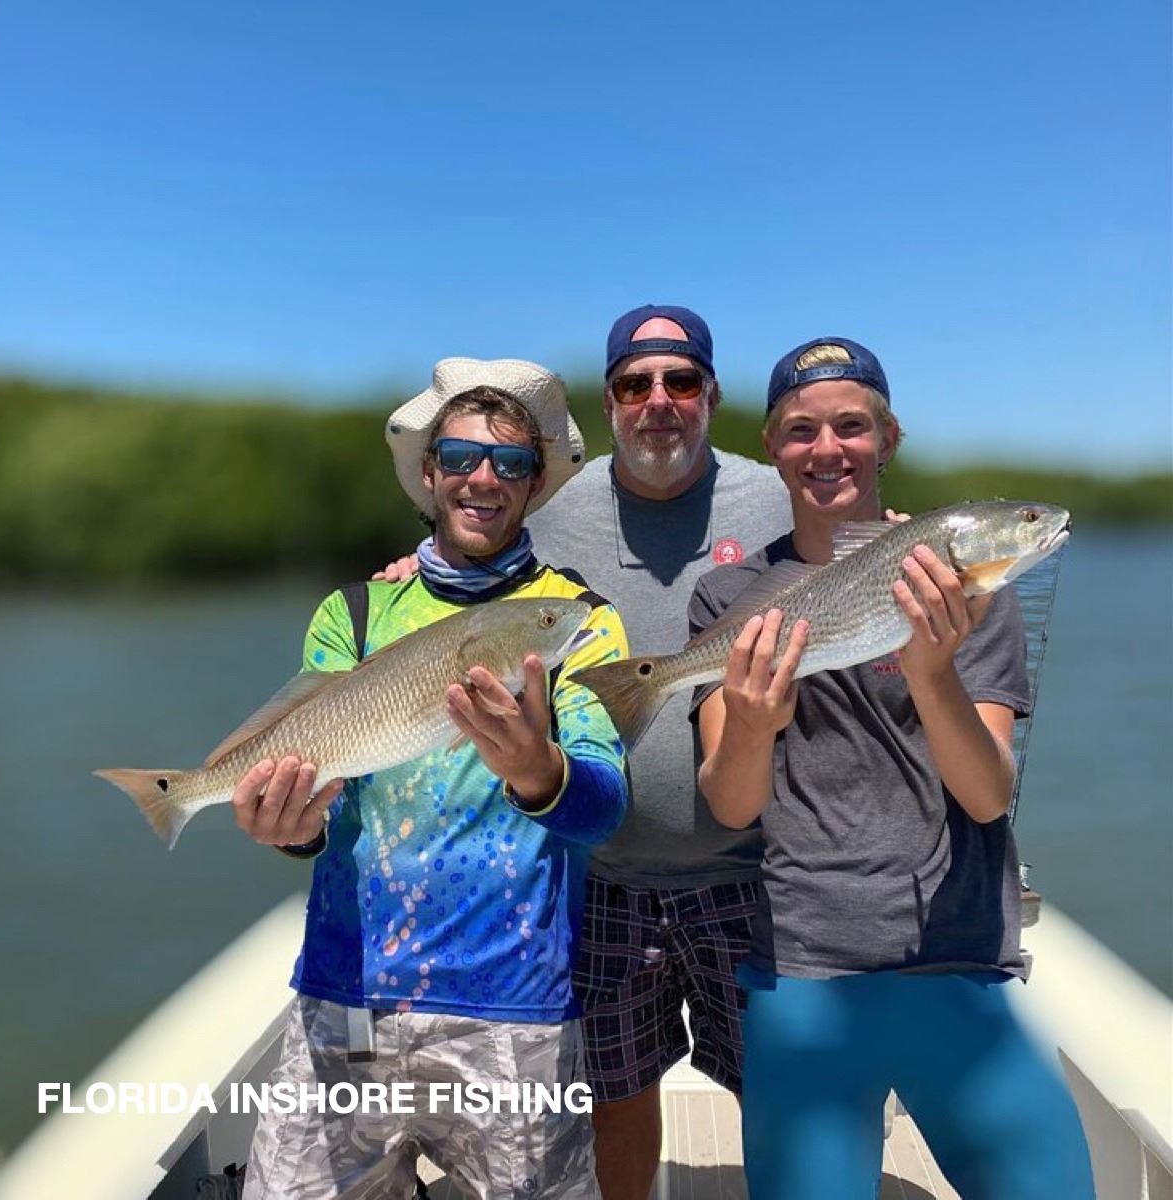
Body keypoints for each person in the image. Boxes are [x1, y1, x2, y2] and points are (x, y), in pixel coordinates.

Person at [691, 337, 1095, 1199]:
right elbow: (730, 804)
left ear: (888, 437)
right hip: (805, 962)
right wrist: (754, 725)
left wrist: (930, 668)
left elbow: (986, 796)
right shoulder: (730, 600)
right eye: (801, 429)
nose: (827, 448)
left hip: (958, 956)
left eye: (851, 425)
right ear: (772, 447)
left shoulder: (972, 591)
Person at [232, 358, 631, 1200]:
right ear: (428, 471)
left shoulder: (577, 620)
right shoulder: (354, 614)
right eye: (459, 456)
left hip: (514, 1011)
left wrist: (539, 772)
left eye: (511, 462)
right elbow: (321, 795)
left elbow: (604, 809)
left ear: (535, 484)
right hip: (348, 998)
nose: (483, 478)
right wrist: (289, 829)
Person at [524, 306, 793, 1200]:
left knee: (778, 1095)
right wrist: (409, 563)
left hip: (753, 868)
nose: (659, 401)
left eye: (681, 381)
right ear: (609, 403)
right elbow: (469, 567)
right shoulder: (549, 515)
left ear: (711, 394)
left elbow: (857, 539)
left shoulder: (777, 496)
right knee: (616, 1096)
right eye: (634, 384)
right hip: (600, 875)